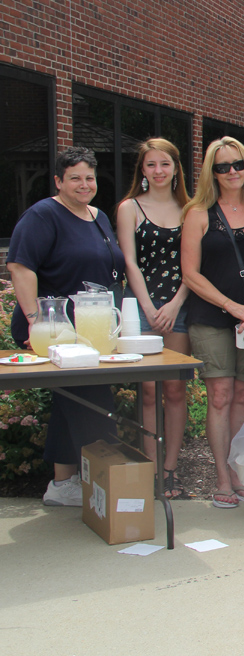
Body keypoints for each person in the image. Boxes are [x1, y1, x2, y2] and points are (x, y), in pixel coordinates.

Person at [7, 146, 123, 506]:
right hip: (55, 329)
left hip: (91, 330)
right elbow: (20, 267)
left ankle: (62, 484)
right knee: (89, 401)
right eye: (74, 178)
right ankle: (103, 483)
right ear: (58, 181)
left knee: (69, 401)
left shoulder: (98, 216)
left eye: (89, 177)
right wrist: (34, 323)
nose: (83, 184)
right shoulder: (43, 215)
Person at [180, 137, 244, 509]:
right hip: (212, 318)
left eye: (237, 164)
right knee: (220, 397)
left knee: (243, 396)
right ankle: (223, 478)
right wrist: (233, 307)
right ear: (212, 172)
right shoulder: (199, 213)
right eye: (222, 167)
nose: (232, 172)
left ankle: (239, 474)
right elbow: (190, 273)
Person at [116, 138, 192, 499]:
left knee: (175, 389)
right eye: (151, 165)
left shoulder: (191, 209)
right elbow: (130, 262)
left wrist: (175, 304)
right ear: (142, 170)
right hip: (142, 308)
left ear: (176, 168)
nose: (158, 171)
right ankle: (149, 467)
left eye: (165, 164)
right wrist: (148, 308)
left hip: (179, 306)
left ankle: (169, 471)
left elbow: (194, 266)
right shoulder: (130, 207)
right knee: (148, 391)